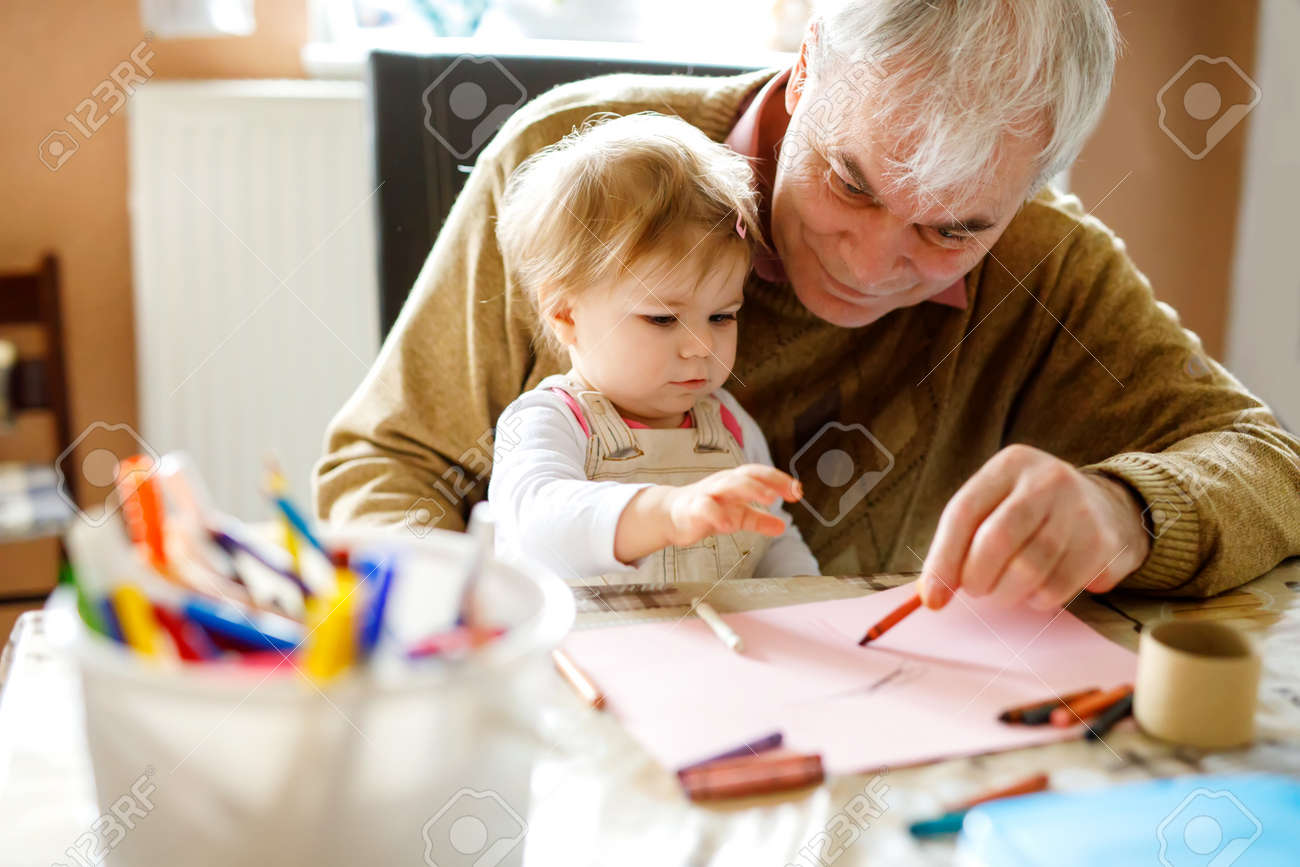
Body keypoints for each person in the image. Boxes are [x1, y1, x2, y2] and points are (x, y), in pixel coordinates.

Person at [315, 0, 1300, 610]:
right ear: (808, 63)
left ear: (1034, 184)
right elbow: (389, 464)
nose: (870, 265)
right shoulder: (571, 166)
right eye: (850, 182)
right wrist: (478, 648)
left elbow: (1268, 465)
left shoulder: (1050, 265)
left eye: (951, 230)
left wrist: (1123, 512)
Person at [485, 112, 819, 584]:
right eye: (662, 318)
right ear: (566, 315)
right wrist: (667, 511)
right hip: (585, 652)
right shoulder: (549, 419)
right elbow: (536, 527)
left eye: (722, 316)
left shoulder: (730, 426)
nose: (702, 346)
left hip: (712, 653)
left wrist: (807, 599)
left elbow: (773, 535)